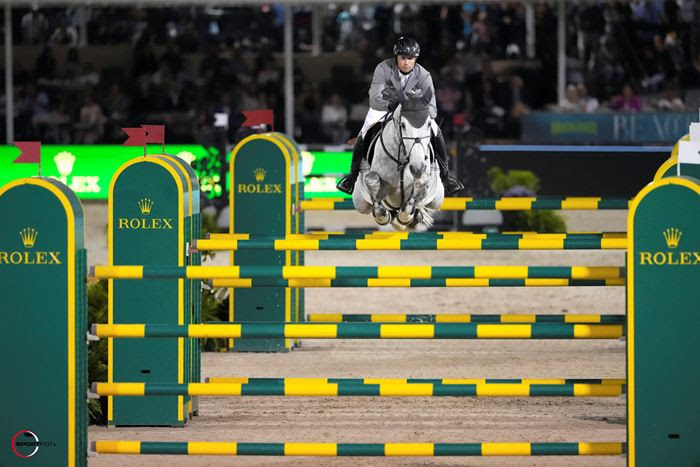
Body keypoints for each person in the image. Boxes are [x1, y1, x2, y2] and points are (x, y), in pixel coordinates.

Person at [336, 36, 464, 196]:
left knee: (436, 130)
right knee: (364, 131)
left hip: (413, 113)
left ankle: (445, 177)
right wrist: (394, 104)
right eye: (403, 58)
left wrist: (416, 108)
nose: (406, 62)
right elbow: (375, 99)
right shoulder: (383, 68)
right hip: (385, 108)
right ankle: (352, 176)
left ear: (415, 58)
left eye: (410, 58)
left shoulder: (424, 75)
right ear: (396, 56)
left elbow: (432, 109)